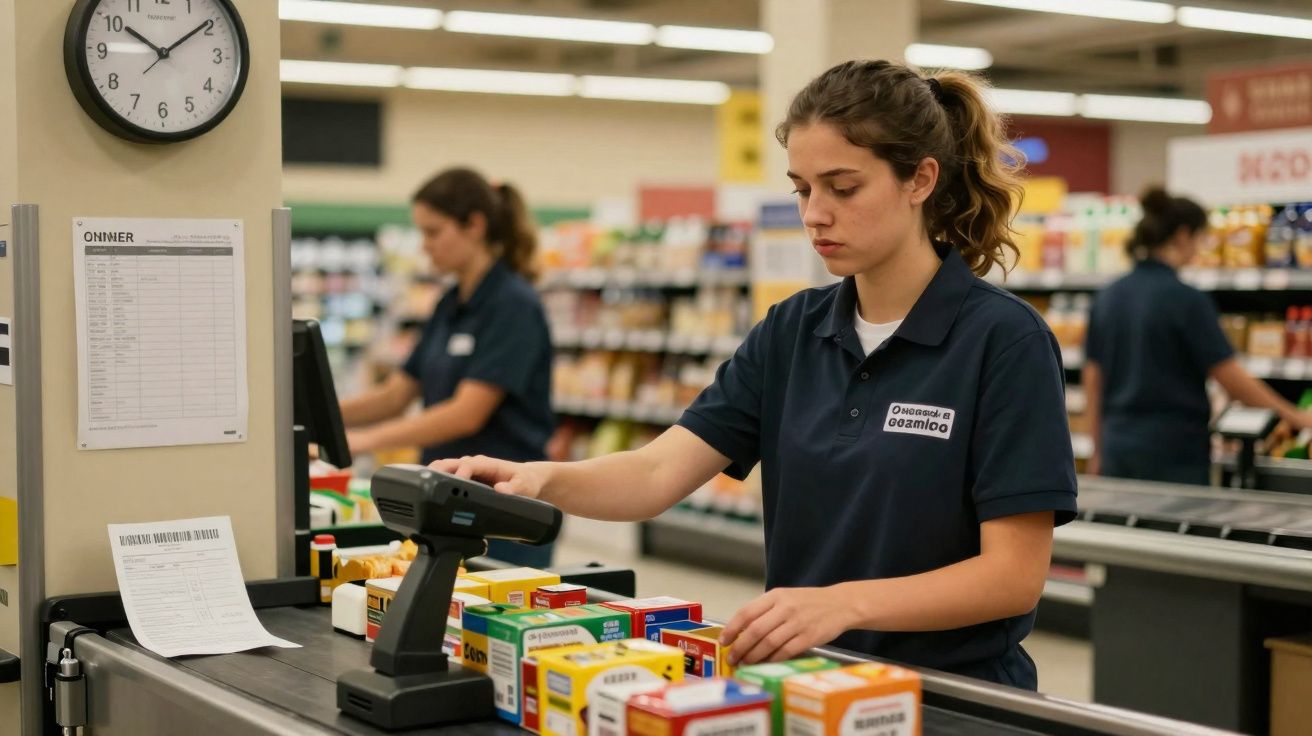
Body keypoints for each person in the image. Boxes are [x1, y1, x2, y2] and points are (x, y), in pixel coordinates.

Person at [434, 60, 1077, 690]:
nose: (814, 214)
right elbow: (659, 472)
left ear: (920, 180)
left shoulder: (1003, 341)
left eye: (843, 188)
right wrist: (539, 479)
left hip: (950, 699)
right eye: (803, 189)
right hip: (805, 688)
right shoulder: (792, 330)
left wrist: (843, 605)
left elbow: (1012, 576)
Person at [341, 167, 556, 567]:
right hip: (448, 499)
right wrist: (320, 416)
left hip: (502, 505)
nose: (424, 246)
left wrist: (363, 441)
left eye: (433, 232)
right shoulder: (450, 303)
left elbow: (466, 414)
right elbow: (396, 394)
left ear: (474, 225)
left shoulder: (513, 305)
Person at [1083, 188, 1312, 486]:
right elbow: (1231, 377)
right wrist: (1296, 417)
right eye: (1201, 239)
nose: (1200, 250)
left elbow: (1093, 377)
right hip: (1173, 452)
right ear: (1182, 235)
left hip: (1119, 445)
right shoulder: (1186, 300)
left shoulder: (1107, 297)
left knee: (1127, 531)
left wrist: (1097, 449)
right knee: (1173, 532)